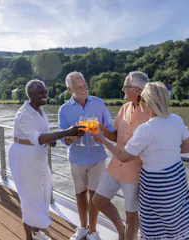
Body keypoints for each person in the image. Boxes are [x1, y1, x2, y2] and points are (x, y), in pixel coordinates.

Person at [91, 82, 189, 240]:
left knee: (154, 226)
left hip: (156, 184)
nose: (140, 104)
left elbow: (124, 156)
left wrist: (102, 140)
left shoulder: (146, 129)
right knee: (175, 222)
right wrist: (169, 149)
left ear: (149, 104)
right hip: (176, 180)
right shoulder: (176, 120)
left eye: (142, 101)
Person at [8, 79, 85, 240]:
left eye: (45, 92)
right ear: (30, 94)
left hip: (37, 157)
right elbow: (37, 137)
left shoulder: (39, 110)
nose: (44, 95)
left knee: (42, 192)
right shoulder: (24, 114)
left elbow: (42, 134)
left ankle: (36, 231)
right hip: (23, 158)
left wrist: (51, 140)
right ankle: (29, 236)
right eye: (40, 92)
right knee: (29, 196)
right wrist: (66, 132)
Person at [92, 71, 150, 240]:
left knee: (132, 216)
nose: (123, 88)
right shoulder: (124, 108)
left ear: (138, 90)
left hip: (135, 171)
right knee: (99, 200)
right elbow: (115, 136)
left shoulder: (151, 112)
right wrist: (100, 128)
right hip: (116, 165)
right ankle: (121, 230)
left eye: (127, 86)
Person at [58, 71, 115, 240]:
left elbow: (110, 129)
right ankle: (82, 227)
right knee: (79, 193)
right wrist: (72, 137)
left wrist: (101, 133)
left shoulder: (98, 103)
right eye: (79, 87)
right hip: (77, 157)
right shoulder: (64, 110)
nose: (84, 90)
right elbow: (64, 139)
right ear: (70, 90)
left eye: (85, 86)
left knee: (95, 195)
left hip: (98, 156)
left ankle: (93, 230)